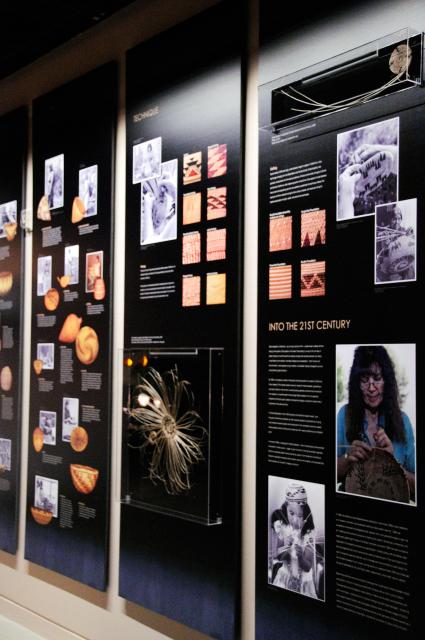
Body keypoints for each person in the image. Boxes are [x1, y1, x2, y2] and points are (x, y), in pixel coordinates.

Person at [337, 345, 415, 499]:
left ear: (387, 381)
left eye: (377, 379)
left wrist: (392, 464)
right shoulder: (344, 415)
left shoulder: (403, 421)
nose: (371, 388)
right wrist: (347, 460)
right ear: (356, 384)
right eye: (364, 380)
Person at [271, 483, 317, 598]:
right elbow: (276, 555)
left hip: (303, 585)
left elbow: (307, 567)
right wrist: (286, 549)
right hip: (284, 579)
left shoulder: (309, 533)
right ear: (285, 508)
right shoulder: (282, 528)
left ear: (306, 514)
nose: (295, 519)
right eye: (291, 513)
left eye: (300, 515)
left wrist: (300, 557)